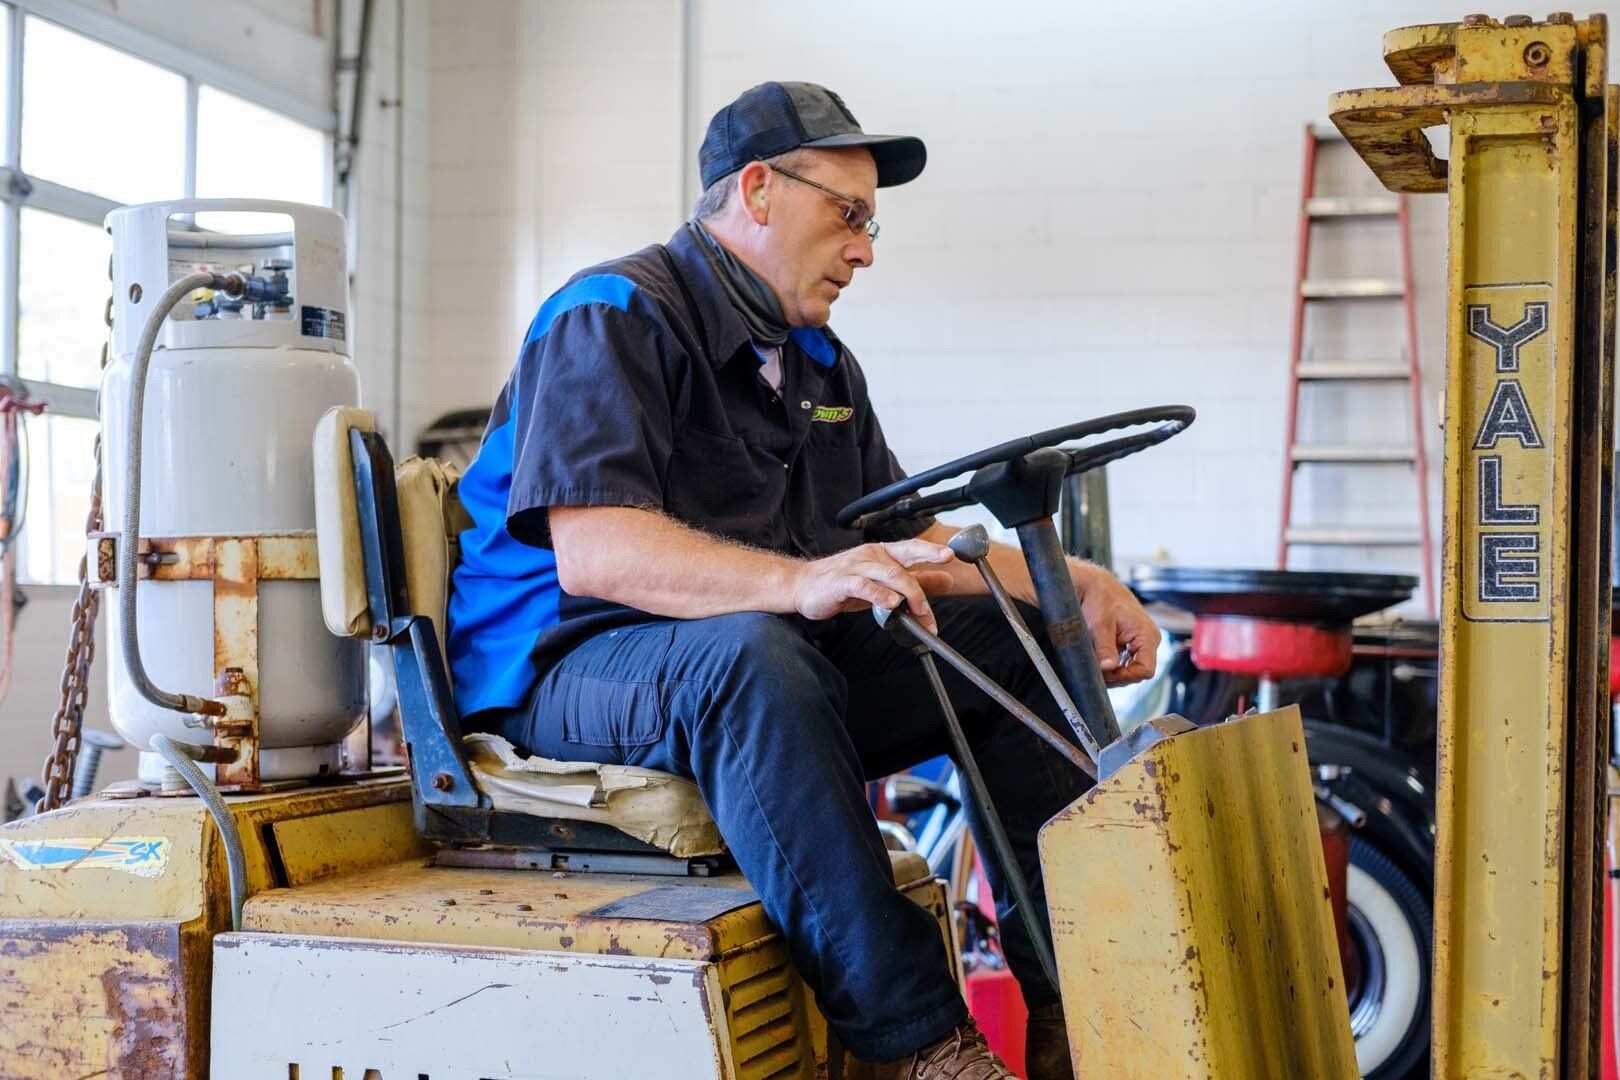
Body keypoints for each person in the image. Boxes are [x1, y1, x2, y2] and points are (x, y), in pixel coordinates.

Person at [447, 81, 1161, 1080]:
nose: (866, 249)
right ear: (757, 190)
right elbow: (599, 553)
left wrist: (1067, 585)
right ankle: (924, 1047)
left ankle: (1077, 1012)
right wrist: (799, 581)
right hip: (566, 661)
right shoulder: (610, 315)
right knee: (755, 658)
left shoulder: (818, 361)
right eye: (849, 215)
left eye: (871, 224)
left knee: (1013, 643)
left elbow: (903, 533)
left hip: (754, 658)